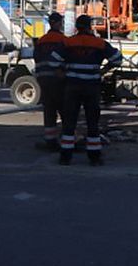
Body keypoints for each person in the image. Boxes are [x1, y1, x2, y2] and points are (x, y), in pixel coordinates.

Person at [50, 15, 123, 166]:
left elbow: (53, 60)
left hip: (72, 87)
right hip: (92, 87)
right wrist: (103, 71)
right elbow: (117, 59)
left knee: (69, 123)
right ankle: (94, 158)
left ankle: (65, 157)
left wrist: (63, 75)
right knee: (92, 123)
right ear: (90, 27)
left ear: (76, 27)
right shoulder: (99, 43)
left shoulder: (68, 42)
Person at [33, 12, 66, 152]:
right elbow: (66, 59)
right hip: (58, 80)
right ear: (58, 23)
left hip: (43, 80)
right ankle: (67, 139)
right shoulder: (63, 40)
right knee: (65, 111)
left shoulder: (41, 40)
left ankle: (50, 140)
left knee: (49, 111)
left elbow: (36, 58)